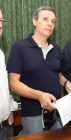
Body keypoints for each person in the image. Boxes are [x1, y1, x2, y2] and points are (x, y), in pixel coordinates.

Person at [7, 6, 71, 135]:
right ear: (34, 21)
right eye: (45, 19)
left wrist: (66, 83)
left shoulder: (55, 48)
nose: (50, 23)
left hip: (55, 111)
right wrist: (39, 96)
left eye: (53, 21)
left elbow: (57, 74)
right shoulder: (20, 47)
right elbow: (13, 83)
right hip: (33, 115)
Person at [0, 9, 18, 139]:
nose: (0, 25)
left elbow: (3, 87)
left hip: (6, 125)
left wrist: (9, 109)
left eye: (1, 20)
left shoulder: (0, 54)